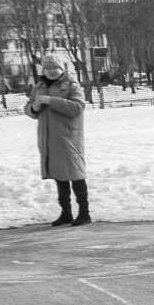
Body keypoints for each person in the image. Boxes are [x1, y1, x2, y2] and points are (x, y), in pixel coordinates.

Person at [24, 53, 91, 226]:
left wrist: (51, 100)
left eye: (55, 68)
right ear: (43, 70)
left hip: (68, 139)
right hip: (48, 140)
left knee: (76, 175)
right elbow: (29, 109)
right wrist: (34, 108)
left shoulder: (72, 85)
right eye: (48, 68)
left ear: (62, 69)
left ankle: (84, 213)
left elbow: (78, 107)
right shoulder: (38, 86)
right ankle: (66, 213)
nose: (52, 71)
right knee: (59, 177)